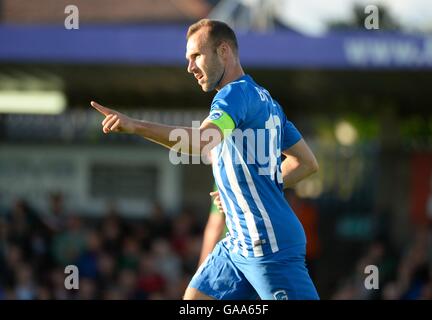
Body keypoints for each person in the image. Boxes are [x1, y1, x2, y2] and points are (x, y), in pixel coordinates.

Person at [91, 18, 319, 300]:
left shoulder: (232, 95)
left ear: (223, 51)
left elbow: (201, 141)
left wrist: (135, 126)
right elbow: (306, 163)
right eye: (188, 59)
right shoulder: (266, 100)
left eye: (196, 56)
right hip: (236, 244)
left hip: (268, 244)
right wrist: (247, 191)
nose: (190, 67)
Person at [198, 184, 226, 267]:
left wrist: (203, 266)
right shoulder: (263, 171)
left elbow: (215, 226)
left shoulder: (225, 172)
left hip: (236, 250)